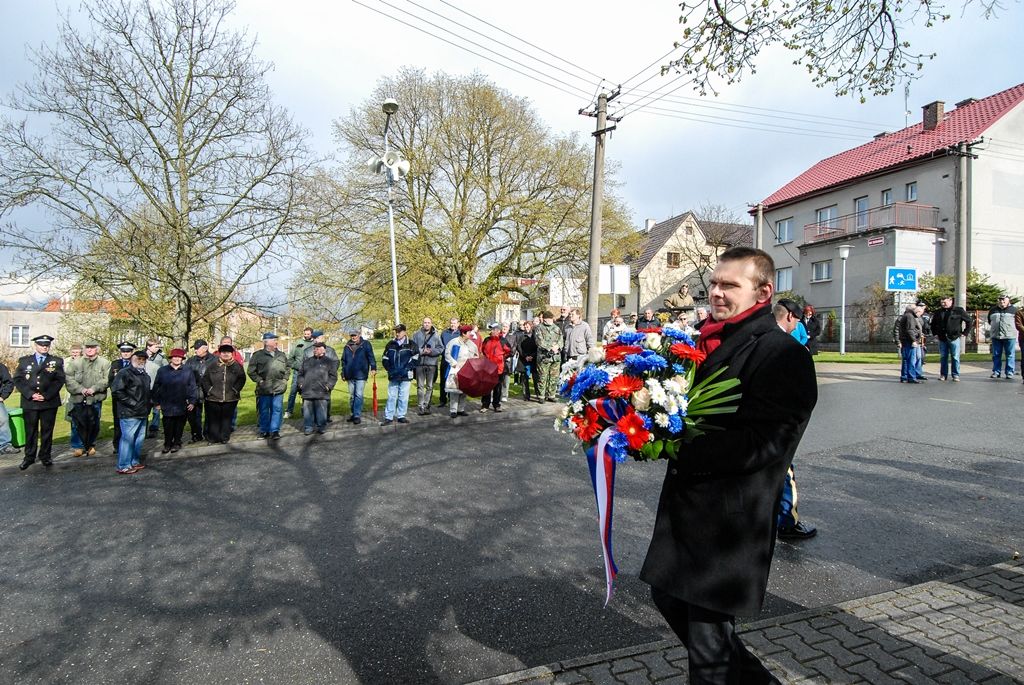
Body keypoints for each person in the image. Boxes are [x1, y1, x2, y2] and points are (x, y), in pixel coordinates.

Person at [640, 247, 817, 684]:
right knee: (668, 597)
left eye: (729, 285)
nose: (716, 292)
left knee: (709, 649)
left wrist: (677, 445)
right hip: (690, 509)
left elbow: (768, 443)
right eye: (715, 283)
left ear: (763, 292)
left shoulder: (781, 353)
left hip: (729, 519)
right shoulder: (701, 341)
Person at [772, 299, 818, 541]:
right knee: (784, 471)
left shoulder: (755, 337)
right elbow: (804, 396)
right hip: (776, 423)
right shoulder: (789, 347)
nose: (797, 326)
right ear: (790, 316)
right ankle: (788, 522)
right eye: (797, 321)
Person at [14, 335, 66, 470]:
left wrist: (46, 395)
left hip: (48, 402)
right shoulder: (24, 361)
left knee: (47, 430)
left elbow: (59, 380)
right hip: (30, 402)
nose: (44, 347)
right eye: (42, 345)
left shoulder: (56, 361)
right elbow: (18, 379)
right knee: (30, 431)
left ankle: (45, 456)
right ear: (36, 345)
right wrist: (30, 394)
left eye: (47, 345)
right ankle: (29, 457)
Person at [109, 349, 152, 474]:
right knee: (127, 439)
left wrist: (149, 404)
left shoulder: (145, 375)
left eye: (143, 359)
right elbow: (117, 391)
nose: (141, 361)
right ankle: (123, 465)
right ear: (132, 359)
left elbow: (147, 393)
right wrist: (133, 404)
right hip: (129, 412)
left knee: (139, 439)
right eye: (138, 359)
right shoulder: (124, 373)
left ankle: (134, 461)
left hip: (142, 412)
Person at [65, 340, 109, 457]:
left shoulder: (104, 363)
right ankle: (78, 446)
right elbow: (69, 379)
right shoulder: (75, 363)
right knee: (76, 423)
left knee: (94, 423)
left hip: (95, 398)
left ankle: (90, 445)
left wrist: (94, 388)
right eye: (87, 347)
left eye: (92, 347)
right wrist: (81, 389)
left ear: (97, 349)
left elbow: (106, 379)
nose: (89, 350)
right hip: (78, 398)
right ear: (84, 349)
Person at [152, 348, 198, 453]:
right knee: (167, 425)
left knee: (179, 425)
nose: (177, 359)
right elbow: (156, 387)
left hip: (181, 402)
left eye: (179, 357)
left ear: (182, 359)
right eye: (175, 357)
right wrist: (156, 402)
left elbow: (192, 386)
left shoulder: (187, 370)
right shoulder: (162, 370)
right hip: (166, 402)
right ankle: (167, 444)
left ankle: (177, 443)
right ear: (171, 358)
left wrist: (192, 401)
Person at [248, 332, 289, 440]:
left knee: (277, 410)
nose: (276, 342)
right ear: (266, 342)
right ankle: (264, 431)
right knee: (264, 410)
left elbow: (287, 368)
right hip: (264, 388)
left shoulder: (281, 355)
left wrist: (285, 380)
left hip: (278, 387)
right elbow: (251, 371)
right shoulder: (257, 355)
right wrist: (260, 381)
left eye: (276, 340)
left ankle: (275, 431)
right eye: (274, 340)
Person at [202, 344, 246, 444]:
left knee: (227, 419)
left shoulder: (237, 366)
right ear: (220, 354)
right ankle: (213, 438)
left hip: (230, 398)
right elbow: (205, 379)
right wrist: (209, 390)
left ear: (231, 354)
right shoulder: (213, 365)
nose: (226, 354)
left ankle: (224, 437)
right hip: (213, 397)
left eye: (228, 352)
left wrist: (235, 390)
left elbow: (242, 379)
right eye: (223, 352)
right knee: (214, 419)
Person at [381, 324, 418, 426]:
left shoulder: (411, 344)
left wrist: (408, 368)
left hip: (405, 375)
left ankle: (401, 416)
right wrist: (389, 369)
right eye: (396, 332)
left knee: (403, 397)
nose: (397, 333)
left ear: (405, 332)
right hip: (393, 375)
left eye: (399, 331)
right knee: (391, 397)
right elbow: (385, 358)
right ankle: (388, 417)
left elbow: (416, 358)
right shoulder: (390, 344)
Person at [299, 341, 337, 434]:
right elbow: (300, 374)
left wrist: (329, 386)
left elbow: (333, 376)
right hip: (308, 390)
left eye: (318, 349)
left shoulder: (329, 362)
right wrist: (301, 384)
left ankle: (321, 427)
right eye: (315, 348)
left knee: (321, 411)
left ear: (324, 350)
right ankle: (308, 427)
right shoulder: (307, 361)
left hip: (322, 391)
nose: (315, 350)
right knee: (307, 411)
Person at [931, 296, 972, 382]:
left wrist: (965, 333)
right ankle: (943, 375)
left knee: (955, 357)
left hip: (954, 337)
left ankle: (955, 375)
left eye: (945, 302)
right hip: (942, 337)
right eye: (942, 303)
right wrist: (935, 333)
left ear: (950, 301)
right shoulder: (938, 312)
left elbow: (969, 321)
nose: (943, 304)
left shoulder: (958, 310)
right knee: (943, 357)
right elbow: (933, 324)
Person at [341, 328, 376, 425]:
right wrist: (343, 373)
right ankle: (353, 414)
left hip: (361, 374)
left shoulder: (366, 344)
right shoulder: (347, 346)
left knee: (359, 395)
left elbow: (371, 356)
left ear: (359, 335)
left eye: (355, 335)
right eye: (352, 335)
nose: (353, 337)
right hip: (349, 374)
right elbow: (343, 361)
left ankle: (357, 415)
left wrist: (373, 367)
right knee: (352, 396)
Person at [444, 324, 478, 418]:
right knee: (454, 390)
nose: (471, 334)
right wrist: (453, 363)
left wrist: (474, 363)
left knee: (464, 390)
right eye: (469, 332)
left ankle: (461, 409)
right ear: (463, 333)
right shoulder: (453, 342)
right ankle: (453, 410)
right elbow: (447, 354)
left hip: (467, 370)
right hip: (456, 369)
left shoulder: (472, 344)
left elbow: (476, 355)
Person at [184, 339, 216, 442]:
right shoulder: (190, 361)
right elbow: (185, 376)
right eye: (195, 348)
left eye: (197, 348)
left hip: (211, 391)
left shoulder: (215, 360)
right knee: (194, 416)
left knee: (210, 414)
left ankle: (208, 434)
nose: (195, 350)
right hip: (195, 391)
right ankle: (196, 434)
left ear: (205, 348)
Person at [411, 317, 444, 415]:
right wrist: (422, 351)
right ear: (422, 323)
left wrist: (431, 352)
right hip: (419, 364)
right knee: (420, 386)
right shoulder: (416, 335)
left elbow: (441, 348)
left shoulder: (436, 336)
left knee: (430, 386)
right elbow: (412, 348)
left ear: (431, 324)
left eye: (428, 322)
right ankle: (421, 406)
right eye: (425, 322)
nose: (426, 324)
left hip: (432, 364)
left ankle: (426, 405)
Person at [108, 341, 135, 456]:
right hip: (118, 399)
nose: (125, 353)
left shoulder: (135, 363)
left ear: (132, 352)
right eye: (123, 351)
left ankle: (130, 445)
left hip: (131, 398)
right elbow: (111, 380)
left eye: (128, 351)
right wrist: (117, 393)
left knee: (131, 422)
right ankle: (117, 445)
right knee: (118, 421)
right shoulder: (115, 364)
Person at [479, 322, 512, 413]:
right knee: (486, 387)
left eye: (493, 329)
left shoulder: (503, 341)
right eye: (491, 329)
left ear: (498, 331)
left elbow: (510, 351)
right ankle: (485, 405)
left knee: (497, 387)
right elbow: (482, 350)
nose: (492, 331)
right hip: (487, 367)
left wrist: (502, 358)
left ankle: (496, 405)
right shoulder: (487, 340)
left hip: (499, 368)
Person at [534, 310, 564, 403]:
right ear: (544, 319)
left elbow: (561, 340)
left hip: (556, 357)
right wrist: (550, 348)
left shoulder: (557, 328)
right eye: (548, 319)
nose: (550, 321)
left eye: (551, 319)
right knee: (542, 377)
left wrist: (557, 347)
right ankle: (541, 396)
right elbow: (539, 341)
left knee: (554, 377)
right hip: (544, 357)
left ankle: (551, 395)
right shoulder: (539, 328)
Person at [286, 327, 314, 417]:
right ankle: (289, 411)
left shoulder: (314, 344)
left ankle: (305, 410)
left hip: (309, 372)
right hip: (297, 371)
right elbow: (290, 358)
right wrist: (295, 366)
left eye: (308, 334)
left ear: (311, 334)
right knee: (293, 391)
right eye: (305, 334)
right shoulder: (298, 343)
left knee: (306, 391)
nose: (306, 335)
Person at [988, 294, 1017, 379]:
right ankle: (996, 372)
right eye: (1000, 299)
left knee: (1010, 355)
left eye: (1004, 299)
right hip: (996, 336)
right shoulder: (993, 310)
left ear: (1008, 300)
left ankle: (1009, 372)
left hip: (1010, 336)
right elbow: (990, 321)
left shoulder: (1014, 310)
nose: (1002, 301)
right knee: (996, 355)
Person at [144, 338, 166, 438]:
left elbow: (166, 369)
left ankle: (154, 429)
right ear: (148, 347)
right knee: (144, 410)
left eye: (158, 346)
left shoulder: (161, 357)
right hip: (144, 388)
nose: (157, 348)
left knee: (156, 410)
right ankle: (143, 430)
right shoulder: (141, 356)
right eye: (155, 346)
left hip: (156, 387)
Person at [896, 304, 925, 383]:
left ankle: (905, 377)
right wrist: (914, 340)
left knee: (906, 359)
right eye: (920, 313)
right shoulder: (910, 317)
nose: (919, 316)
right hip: (909, 341)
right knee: (911, 360)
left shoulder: (906, 316)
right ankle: (911, 377)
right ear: (917, 311)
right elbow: (910, 330)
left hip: (905, 340)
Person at [438, 317, 461, 407]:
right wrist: (445, 354)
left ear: (458, 324)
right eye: (451, 323)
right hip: (445, 360)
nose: (452, 325)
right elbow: (440, 346)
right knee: (443, 380)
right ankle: (442, 400)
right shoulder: (444, 333)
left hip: (456, 361)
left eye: (454, 323)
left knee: (454, 381)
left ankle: (452, 400)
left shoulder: (460, 334)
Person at [65, 344, 83, 453]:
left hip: (84, 394)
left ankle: (88, 444)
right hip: (71, 395)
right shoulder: (66, 362)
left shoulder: (85, 361)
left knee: (87, 421)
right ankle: (77, 445)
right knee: (74, 421)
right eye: (73, 352)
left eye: (77, 352)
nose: (75, 354)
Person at [514, 320, 538, 401]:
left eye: (528, 327)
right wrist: (525, 356)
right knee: (525, 378)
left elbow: (538, 347)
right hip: (524, 359)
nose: (526, 328)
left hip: (534, 359)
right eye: (525, 327)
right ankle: (526, 396)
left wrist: (532, 356)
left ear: (531, 327)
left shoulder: (535, 336)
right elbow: (519, 347)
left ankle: (538, 394)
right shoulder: (521, 336)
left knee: (536, 378)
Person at [0, 361, 18, 455]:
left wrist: (3, 396)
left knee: (3, 420)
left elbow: (9, 382)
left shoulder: (0, 367)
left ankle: (5, 445)